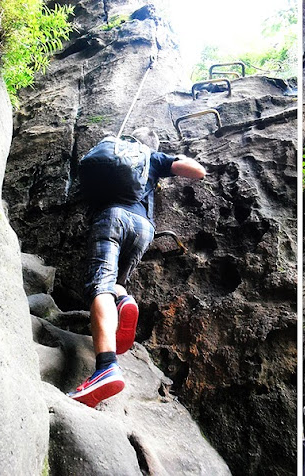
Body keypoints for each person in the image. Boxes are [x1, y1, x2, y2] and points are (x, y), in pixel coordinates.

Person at [68, 127, 206, 407]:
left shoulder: (113, 151)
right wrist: (174, 158)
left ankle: (106, 366)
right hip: (143, 228)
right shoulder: (153, 158)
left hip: (112, 217)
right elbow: (197, 171)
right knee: (116, 282)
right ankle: (124, 299)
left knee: (99, 286)